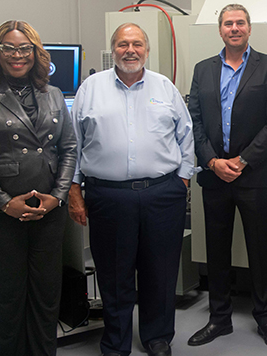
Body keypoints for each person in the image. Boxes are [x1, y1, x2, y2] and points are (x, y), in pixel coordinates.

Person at [68, 23, 194, 356]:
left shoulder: (164, 88)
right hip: (109, 197)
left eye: (137, 44)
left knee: (161, 271)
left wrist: (181, 180)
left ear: (147, 50)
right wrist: (74, 190)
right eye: (123, 44)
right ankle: (116, 342)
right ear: (113, 50)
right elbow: (73, 145)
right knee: (114, 273)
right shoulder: (90, 89)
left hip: (162, 194)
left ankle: (158, 337)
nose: (130, 50)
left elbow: (186, 136)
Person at [0, 20, 77, 356]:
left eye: (25, 48)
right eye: (9, 48)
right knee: (4, 300)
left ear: (36, 54)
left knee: (45, 296)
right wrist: (5, 202)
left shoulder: (52, 94)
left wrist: (58, 196)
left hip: (47, 212)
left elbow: (68, 149)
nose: (17, 55)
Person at [187, 4, 267, 349]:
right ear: (220, 30)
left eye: (240, 22)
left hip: (252, 175)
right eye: (228, 23)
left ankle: (266, 317)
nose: (234, 28)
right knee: (216, 249)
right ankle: (219, 318)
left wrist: (242, 161)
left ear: (249, 28)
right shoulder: (202, 70)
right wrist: (213, 161)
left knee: (260, 249)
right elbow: (194, 122)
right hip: (214, 175)